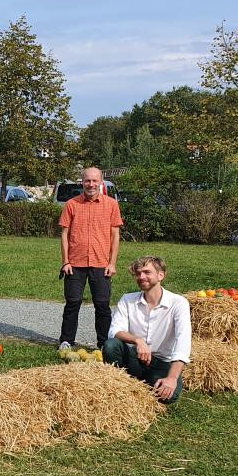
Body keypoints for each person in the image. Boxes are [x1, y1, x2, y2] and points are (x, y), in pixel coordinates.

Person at [105, 256, 190, 404]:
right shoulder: (127, 299)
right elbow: (115, 331)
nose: (141, 276)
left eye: (147, 272)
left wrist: (171, 378)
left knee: (169, 395)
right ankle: (119, 384)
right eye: (138, 273)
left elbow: (183, 341)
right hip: (135, 358)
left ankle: (139, 383)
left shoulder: (178, 303)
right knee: (111, 345)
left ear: (161, 275)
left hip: (162, 363)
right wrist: (138, 340)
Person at [58, 166, 122, 352]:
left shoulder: (111, 204)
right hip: (75, 263)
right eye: (87, 180)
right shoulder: (71, 204)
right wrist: (65, 261)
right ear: (82, 182)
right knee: (72, 303)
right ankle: (66, 341)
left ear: (101, 182)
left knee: (102, 305)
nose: (91, 184)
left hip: (101, 263)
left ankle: (104, 344)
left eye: (95, 181)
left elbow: (115, 235)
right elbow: (64, 234)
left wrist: (112, 263)